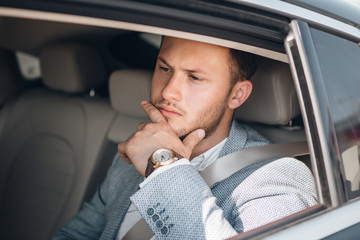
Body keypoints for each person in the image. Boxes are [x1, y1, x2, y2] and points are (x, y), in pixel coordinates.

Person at [54, 37, 317, 240]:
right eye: (164, 68)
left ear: (237, 95)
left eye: (194, 77)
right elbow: (76, 235)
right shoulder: (138, 148)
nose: (168, 92)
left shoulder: (275, 178)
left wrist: (163, 167)